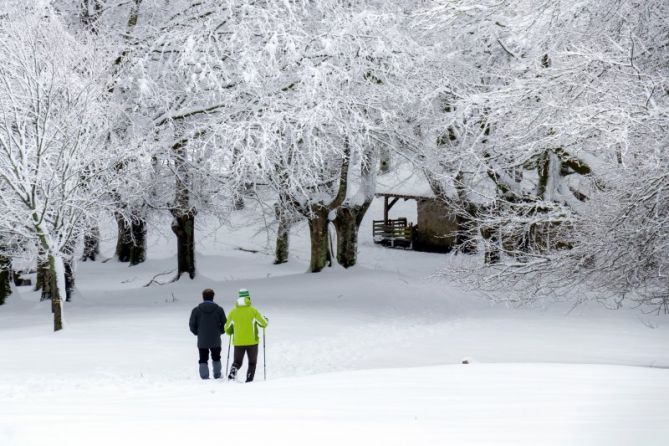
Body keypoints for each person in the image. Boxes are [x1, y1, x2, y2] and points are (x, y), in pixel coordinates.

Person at [225, 289, 268, 382]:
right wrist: (265, 320)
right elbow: (263, 323)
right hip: (252, 342)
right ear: (248, 298)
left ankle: (232, 374)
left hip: (238, 342)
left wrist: (230, 331)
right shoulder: (253, 311)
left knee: (237, 362)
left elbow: (226, 327)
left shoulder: (233, 312)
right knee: (252, 363)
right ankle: (249, 380)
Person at [189, 288, 227, 379]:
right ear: (213, 297)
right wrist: (220, 331)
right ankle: (217, 375)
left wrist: (197, 333)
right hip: (215, 339)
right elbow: (225, 324)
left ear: (203, 297)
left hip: (202, 339)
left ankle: (204, 376)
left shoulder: (196, 310)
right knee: (216, 357)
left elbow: (192, 324)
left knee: (203, 358)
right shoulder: (219, 310)